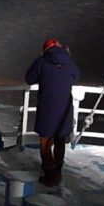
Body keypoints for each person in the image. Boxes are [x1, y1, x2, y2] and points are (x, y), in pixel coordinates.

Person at [25, 38, 80, 186]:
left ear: (45, 50)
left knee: (45, 140)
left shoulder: (41, 62)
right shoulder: (69, 62)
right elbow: (75, 77)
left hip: (47, 107)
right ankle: (58, 170)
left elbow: (29, 79)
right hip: (65, 108)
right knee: (60, 138)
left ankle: (49, 174)